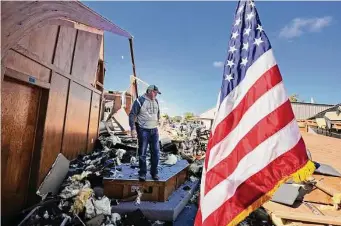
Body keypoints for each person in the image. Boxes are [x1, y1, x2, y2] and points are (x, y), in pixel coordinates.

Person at [129, 85, 161, 181]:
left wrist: (157, 121)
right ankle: (142, 173)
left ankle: (154, 173)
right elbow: (132, 115)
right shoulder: (139, 101)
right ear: (150, 91)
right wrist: (133, 129)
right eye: (155, 92)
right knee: (142, 153)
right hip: (143, 130)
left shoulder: (156, 101)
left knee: (155, 152)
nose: (156, 95)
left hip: (154, 130)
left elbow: (157, 113)